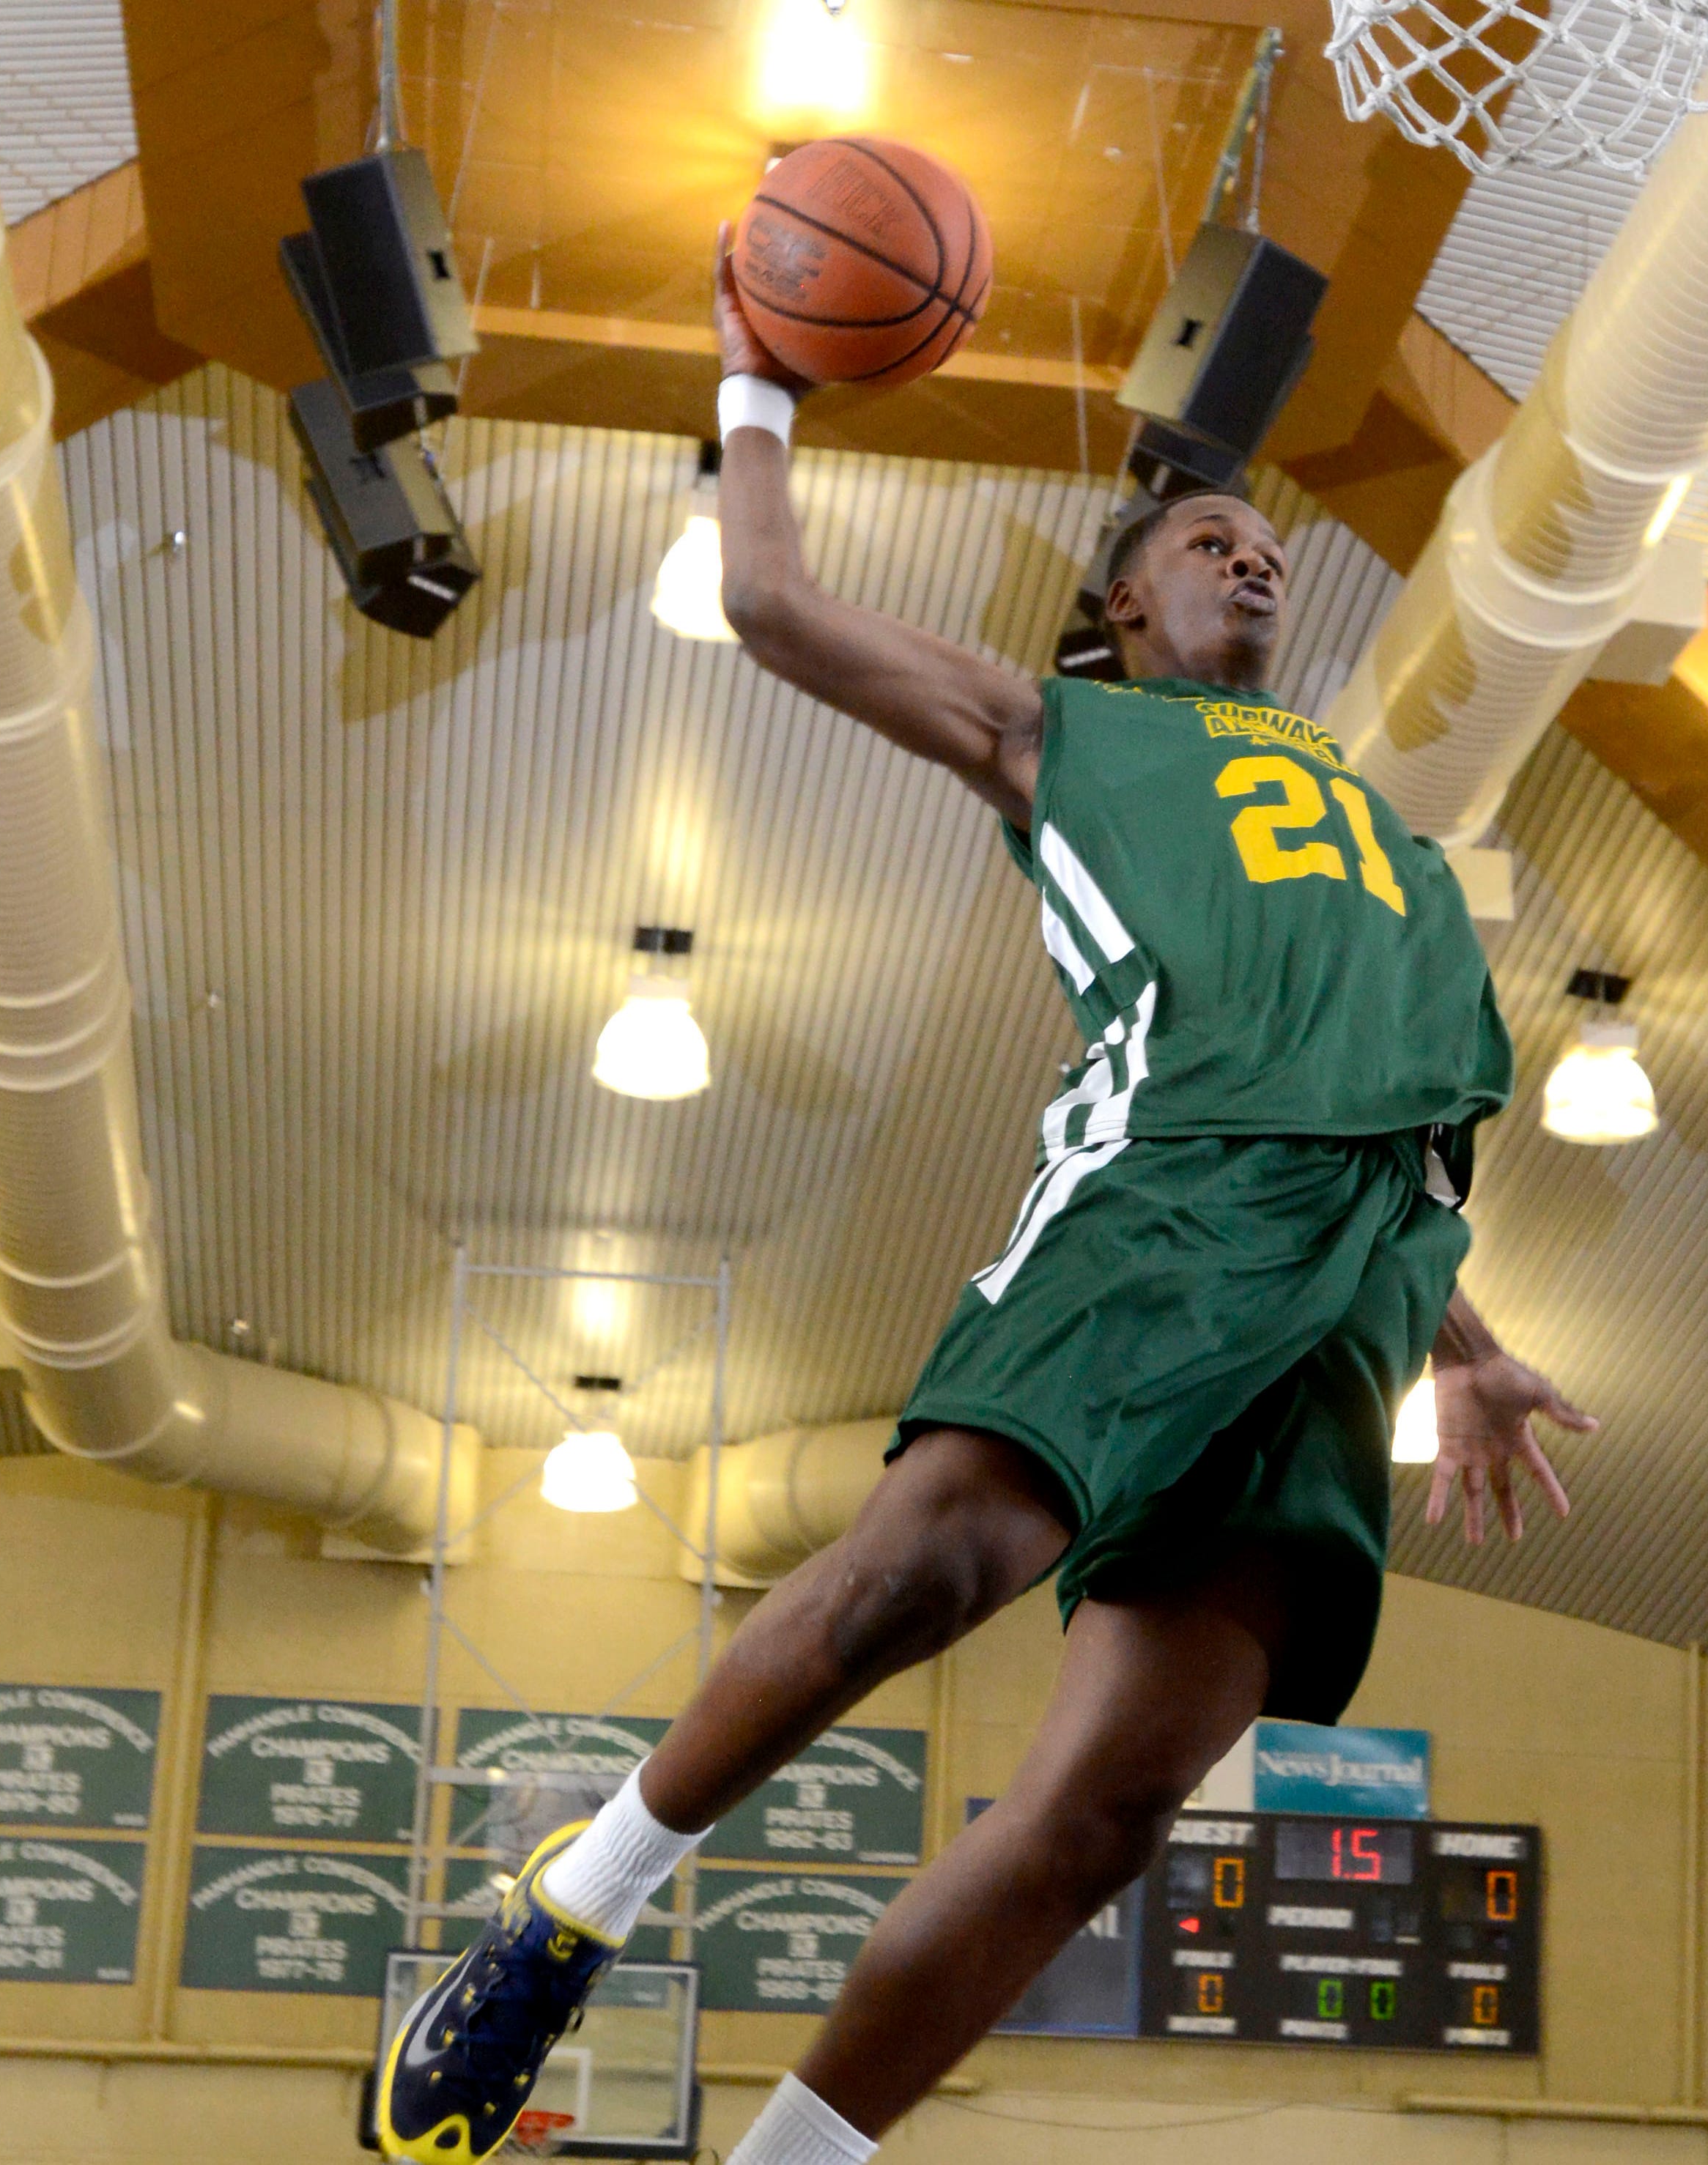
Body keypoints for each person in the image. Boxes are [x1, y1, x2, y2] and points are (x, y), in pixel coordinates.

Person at [374, 226, 1591, 2165]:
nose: (1251, 549)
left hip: (1356, 1287)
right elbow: (768, 602)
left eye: (1264, 546)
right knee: (921, 1572)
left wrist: (1471, 1345)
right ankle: (574, 1901)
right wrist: (759, 379)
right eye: (1203, 542)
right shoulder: (1060, 728)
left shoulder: (1401, 853)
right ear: (1112, 612)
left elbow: (1380, 1109)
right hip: (1166, 1205)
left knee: (1107, 1817)